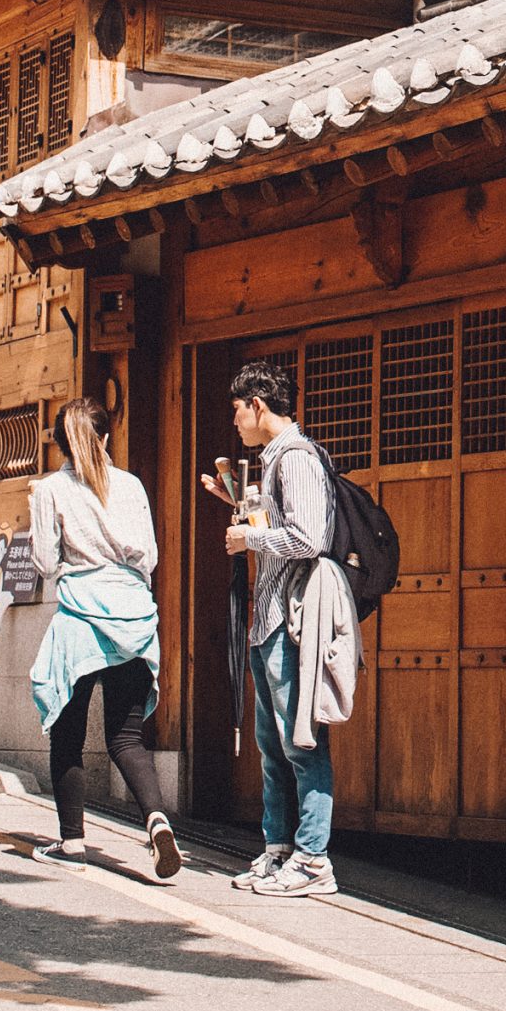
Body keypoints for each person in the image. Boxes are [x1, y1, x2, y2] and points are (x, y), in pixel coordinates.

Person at [27, 397, 182, 879]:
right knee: (126, 738)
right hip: (134, 617)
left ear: (59, 444)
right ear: (107, 439)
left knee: (68, 734)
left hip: (81, 621)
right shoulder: (132, 485)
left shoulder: (51, 489)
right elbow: (150, 558)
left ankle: (72, 842)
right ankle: (157, 822)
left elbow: (46, 564)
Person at [202, 360, 340, 898]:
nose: (234, 422)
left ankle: (313, 860)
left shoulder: (297, 459)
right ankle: (279, 848)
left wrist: (248, 540)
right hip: (269, 620)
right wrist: (239, 506)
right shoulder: (275, 460)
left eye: (237, 410)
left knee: (301, 742)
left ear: (258, 404)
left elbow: (309, 539)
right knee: (272, 744)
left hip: (289, 620)